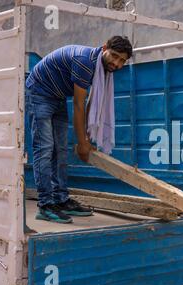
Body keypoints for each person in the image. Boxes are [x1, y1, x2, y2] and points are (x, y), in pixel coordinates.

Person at [25, 36, 133, 224]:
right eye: (114, 56)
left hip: (57, 96)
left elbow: (91, 102)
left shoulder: (101, 68)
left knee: (61, 150)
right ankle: (45, 205)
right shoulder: (86, 63)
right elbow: (78, 104)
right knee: (45, 148)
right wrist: (82, 142)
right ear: (104, 48)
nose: (116, 63)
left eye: (122, 60)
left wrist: (86, 139)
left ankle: (61, 199)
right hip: (40, 92)